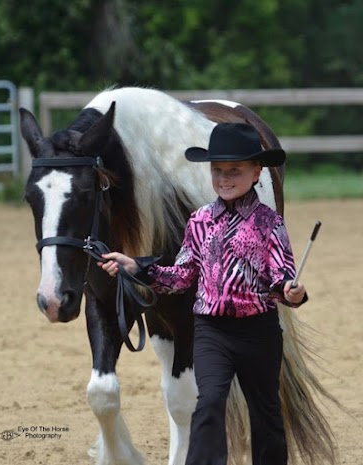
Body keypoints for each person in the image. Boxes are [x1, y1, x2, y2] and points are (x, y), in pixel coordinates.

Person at [98, 122, 307, 465]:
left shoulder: (271, 224)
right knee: (208, 403)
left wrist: (291, 292)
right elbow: (180, 276)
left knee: (265, 415)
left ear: (256, 173)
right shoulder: (198, 221)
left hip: (259, 332)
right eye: (217, 170)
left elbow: (282, 276)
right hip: (212, 332)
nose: (224, 178)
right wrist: (137, 267)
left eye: (234, 171)